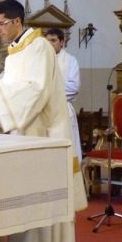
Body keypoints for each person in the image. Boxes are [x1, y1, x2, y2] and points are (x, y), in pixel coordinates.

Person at [0, 0, 87, 242]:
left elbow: (36, 91)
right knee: (21, 199)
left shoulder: (38, 46)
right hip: (22, 134)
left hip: (41, 135)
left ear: (17, 21)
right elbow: (7, 86)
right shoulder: (15, 53)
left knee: (38, 198)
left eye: (1, 24)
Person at [46, 28, 82, 164]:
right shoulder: (39, 61)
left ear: (62, 42)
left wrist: (47, 89)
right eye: (47, 41)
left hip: (63, 111)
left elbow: (73, 87)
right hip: (44, 112)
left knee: (66, 150)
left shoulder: (70, 61)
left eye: (53, 40)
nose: (50, 44)